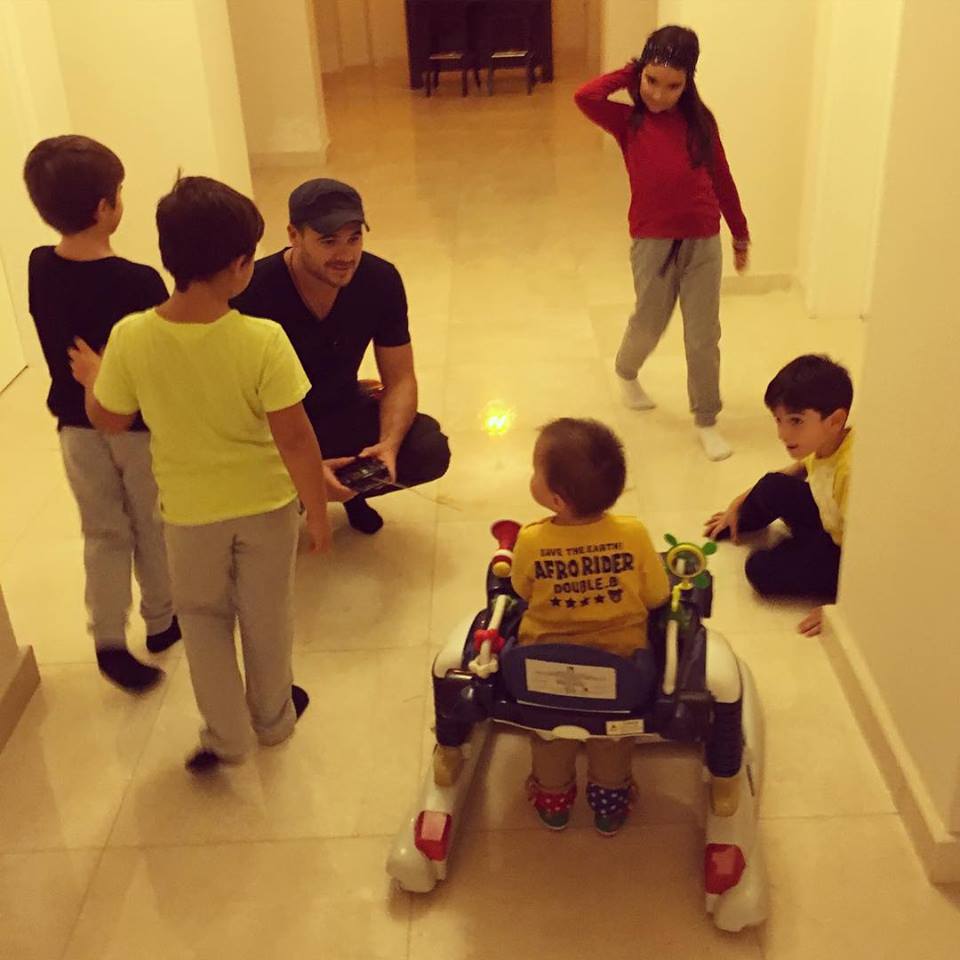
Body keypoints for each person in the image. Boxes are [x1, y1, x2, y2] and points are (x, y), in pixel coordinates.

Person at [69, 176, 332, 772]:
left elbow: (109, 419)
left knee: (205, 623)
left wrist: (95, 378)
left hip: (188, 516)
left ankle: (226, 735)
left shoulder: (132, 336)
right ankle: (273, 720)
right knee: (268, 619)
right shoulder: (262, 339)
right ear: (240, 266)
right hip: (266, 510)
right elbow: (295, 438)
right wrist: (316, 513)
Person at [23, 134, 179, 693]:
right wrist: (108, 373)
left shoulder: (39, 265)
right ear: (104, 207)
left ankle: (109, 638)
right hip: (137, 430)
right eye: (119, 193)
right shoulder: (139, 282)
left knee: (103, 532)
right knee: (153, 523)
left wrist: (95, 373)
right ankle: (162, 619)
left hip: (75, 428)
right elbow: (149, 363)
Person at [231, 178, 450, 535]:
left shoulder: (380, 279)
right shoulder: (253, 291)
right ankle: (299, 493)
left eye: (354, 238)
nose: (345, 255)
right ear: (294, 235)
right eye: (328, 241)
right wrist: (298, 466)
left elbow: (400, 378)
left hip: (341, 407)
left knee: (428, 447)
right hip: (276, 426)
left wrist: (387, 445)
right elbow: (236, 405)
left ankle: (349, 490)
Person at [574, 25, 750, 462]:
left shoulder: (701, 123)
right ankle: (626, 370)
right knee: (650, 321)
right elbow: (585, 96)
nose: (658, 94)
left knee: (703, 334)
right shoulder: (628, 121)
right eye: (652, 81)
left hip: (703, 239)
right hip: (652, 240)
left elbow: (722, 178)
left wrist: (739, 232)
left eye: (673, 86)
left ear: (688, 83)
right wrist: (632, 71)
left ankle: (706, 418)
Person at [509, 418, 671, 835]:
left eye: (535, 471)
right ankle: (609, 808)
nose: (531, 476)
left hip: (540, 671)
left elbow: (521, 589)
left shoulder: (531, 540)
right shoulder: (633, 534)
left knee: (549, 732)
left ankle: (553, 803)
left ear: (557, 500)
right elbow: (658, 596)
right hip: (620, 672)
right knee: (612, 736)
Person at [704, 354, 854, 637]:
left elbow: (869, 552)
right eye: (778, 420)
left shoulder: (851, 471)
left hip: (843, 554)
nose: (782, 434)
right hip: (828, 518)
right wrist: (738, 503)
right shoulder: (825, 443)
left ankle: (797, 553)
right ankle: (741, 524)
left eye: (796, 421)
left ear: (835, 421)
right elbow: (790, 473)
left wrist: (843, 609)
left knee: (759, 570)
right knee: (772, 484)